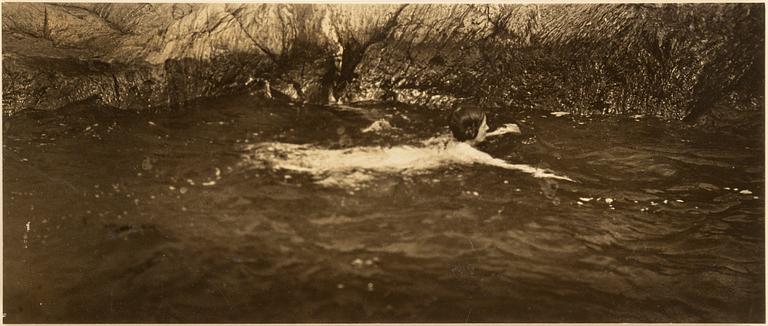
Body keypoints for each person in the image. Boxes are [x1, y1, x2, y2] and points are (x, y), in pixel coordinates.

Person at [242, 105, 573, 186]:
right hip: (397, 164)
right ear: (473, 131)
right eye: (487, 126)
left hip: (400, 154)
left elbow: (475, 136)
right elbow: (505, 167)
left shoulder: (455, 140)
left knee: (336, 158)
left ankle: (277, 154)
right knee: (332, 166)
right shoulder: (467, 152)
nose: (490, 128)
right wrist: (541, 173)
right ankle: (279, 164)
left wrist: (501, 133)